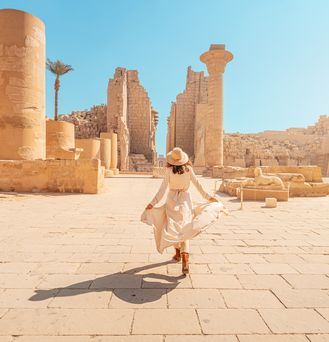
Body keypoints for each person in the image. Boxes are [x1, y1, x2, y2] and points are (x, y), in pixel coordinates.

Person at [141, 147, 226, 275]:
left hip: (172, 201)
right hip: (185, 200)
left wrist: (152, 203)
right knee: (185, 227)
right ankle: (185, 256)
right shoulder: (188, 169)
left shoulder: (169, 171)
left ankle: (177, 254)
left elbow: (162, 189)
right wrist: (208, 197)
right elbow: (198, 185)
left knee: (173, 227)